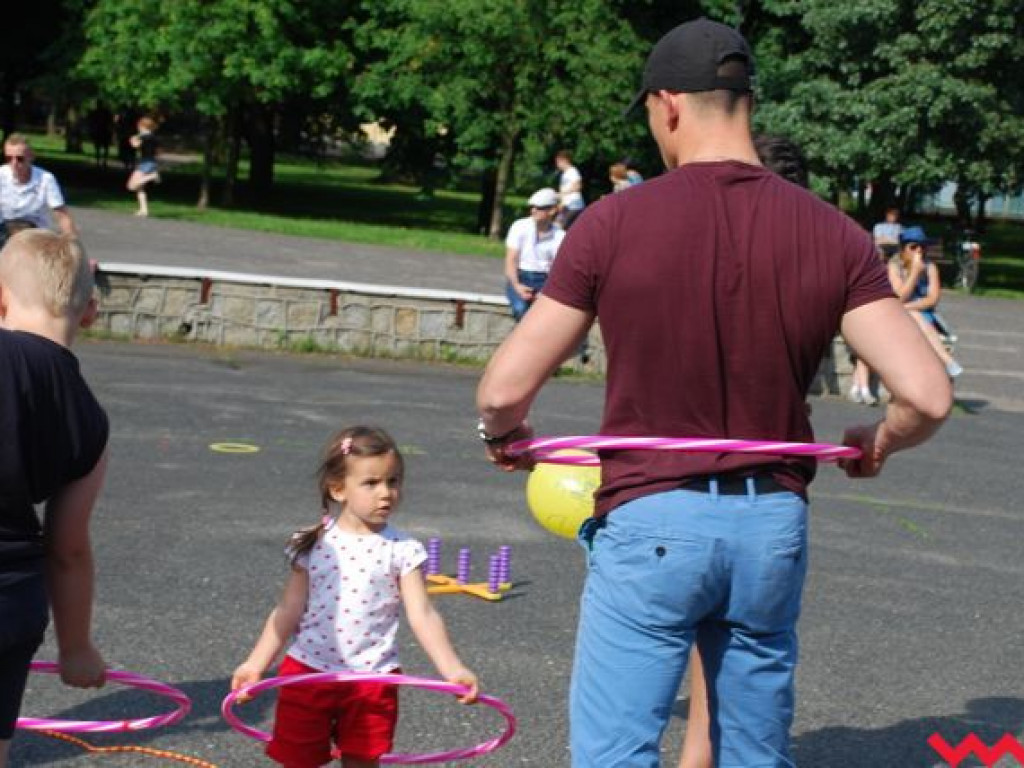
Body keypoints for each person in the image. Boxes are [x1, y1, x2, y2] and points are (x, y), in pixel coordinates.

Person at [476, 18, 952, 768]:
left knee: (616, 753)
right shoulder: (834, 233)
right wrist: (878, 441)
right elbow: (927, 395)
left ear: (667, 105)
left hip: (652, 517)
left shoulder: (611, 224)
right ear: (747, 103)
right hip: (770, 524)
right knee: (749, 755)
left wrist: (505, 437)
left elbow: (503, 390)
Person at [231, 425, 479, 768]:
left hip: (372, 679)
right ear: (338, 489)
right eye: (371, 483)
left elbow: (422, 614)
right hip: (308, 671)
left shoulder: (403, 550)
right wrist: (256, 664)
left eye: (393, 481)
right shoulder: (313, 543)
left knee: (363, 761)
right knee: (298, 760)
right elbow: (288, 609)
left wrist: (452, 669)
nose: (386, 493)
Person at [0, 230, 108, 768]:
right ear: (90, 310)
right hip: (12, 601)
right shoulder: (90, 418)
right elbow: (67, 548)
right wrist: (76, 647)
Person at [888, 226, 963, 378]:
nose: (919, 250)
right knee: (914, 317)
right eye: (913, 246)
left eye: (922, 246)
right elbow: (899, 297)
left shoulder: (930, 267)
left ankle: (943, 364)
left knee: (915, 315)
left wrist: (906, 307)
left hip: (922, 314)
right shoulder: (894, 266)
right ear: (903, 249)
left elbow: (932, 299)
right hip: (897, 317)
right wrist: (914, 273)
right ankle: (946, 360)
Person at [0, 134, 77, 243]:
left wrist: (73, 244)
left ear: (31, 157)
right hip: (4, 231)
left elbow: (61, 215)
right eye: (9, 158)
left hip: (36, 233)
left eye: (20, 159)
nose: (14, 163)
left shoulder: (46, 178)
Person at [504, 187, 566, 321]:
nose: (533, 210)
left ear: (552, 210)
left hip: (545, 280)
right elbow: (511, 260)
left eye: (539, 207)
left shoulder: (560, 236)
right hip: (520, 276)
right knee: (520, 309)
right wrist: (517, 286)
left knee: (545, 316)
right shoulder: (519, 226)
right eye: (532, 207)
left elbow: (558, 269)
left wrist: (546, 291)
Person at [126, 117, 161, 217]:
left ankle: (153, 176)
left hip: (145, 163)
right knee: (140, 188)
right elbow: (158, 152)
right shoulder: (154, 137)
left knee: (131, 185)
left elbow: (135, 145)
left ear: (142, 126)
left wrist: (132, 139)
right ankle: (144, 210)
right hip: (151, 162)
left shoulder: (143, 137)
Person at [554, 150, 586, 229]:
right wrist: (561, 203)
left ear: (565, 160)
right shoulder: (564, 174)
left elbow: (578, 186)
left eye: (558, 162)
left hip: (574, 206)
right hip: (567, 206)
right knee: (559, 226)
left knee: (559, 227)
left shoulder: (573, 171)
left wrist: (563, 193)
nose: (557, 165)